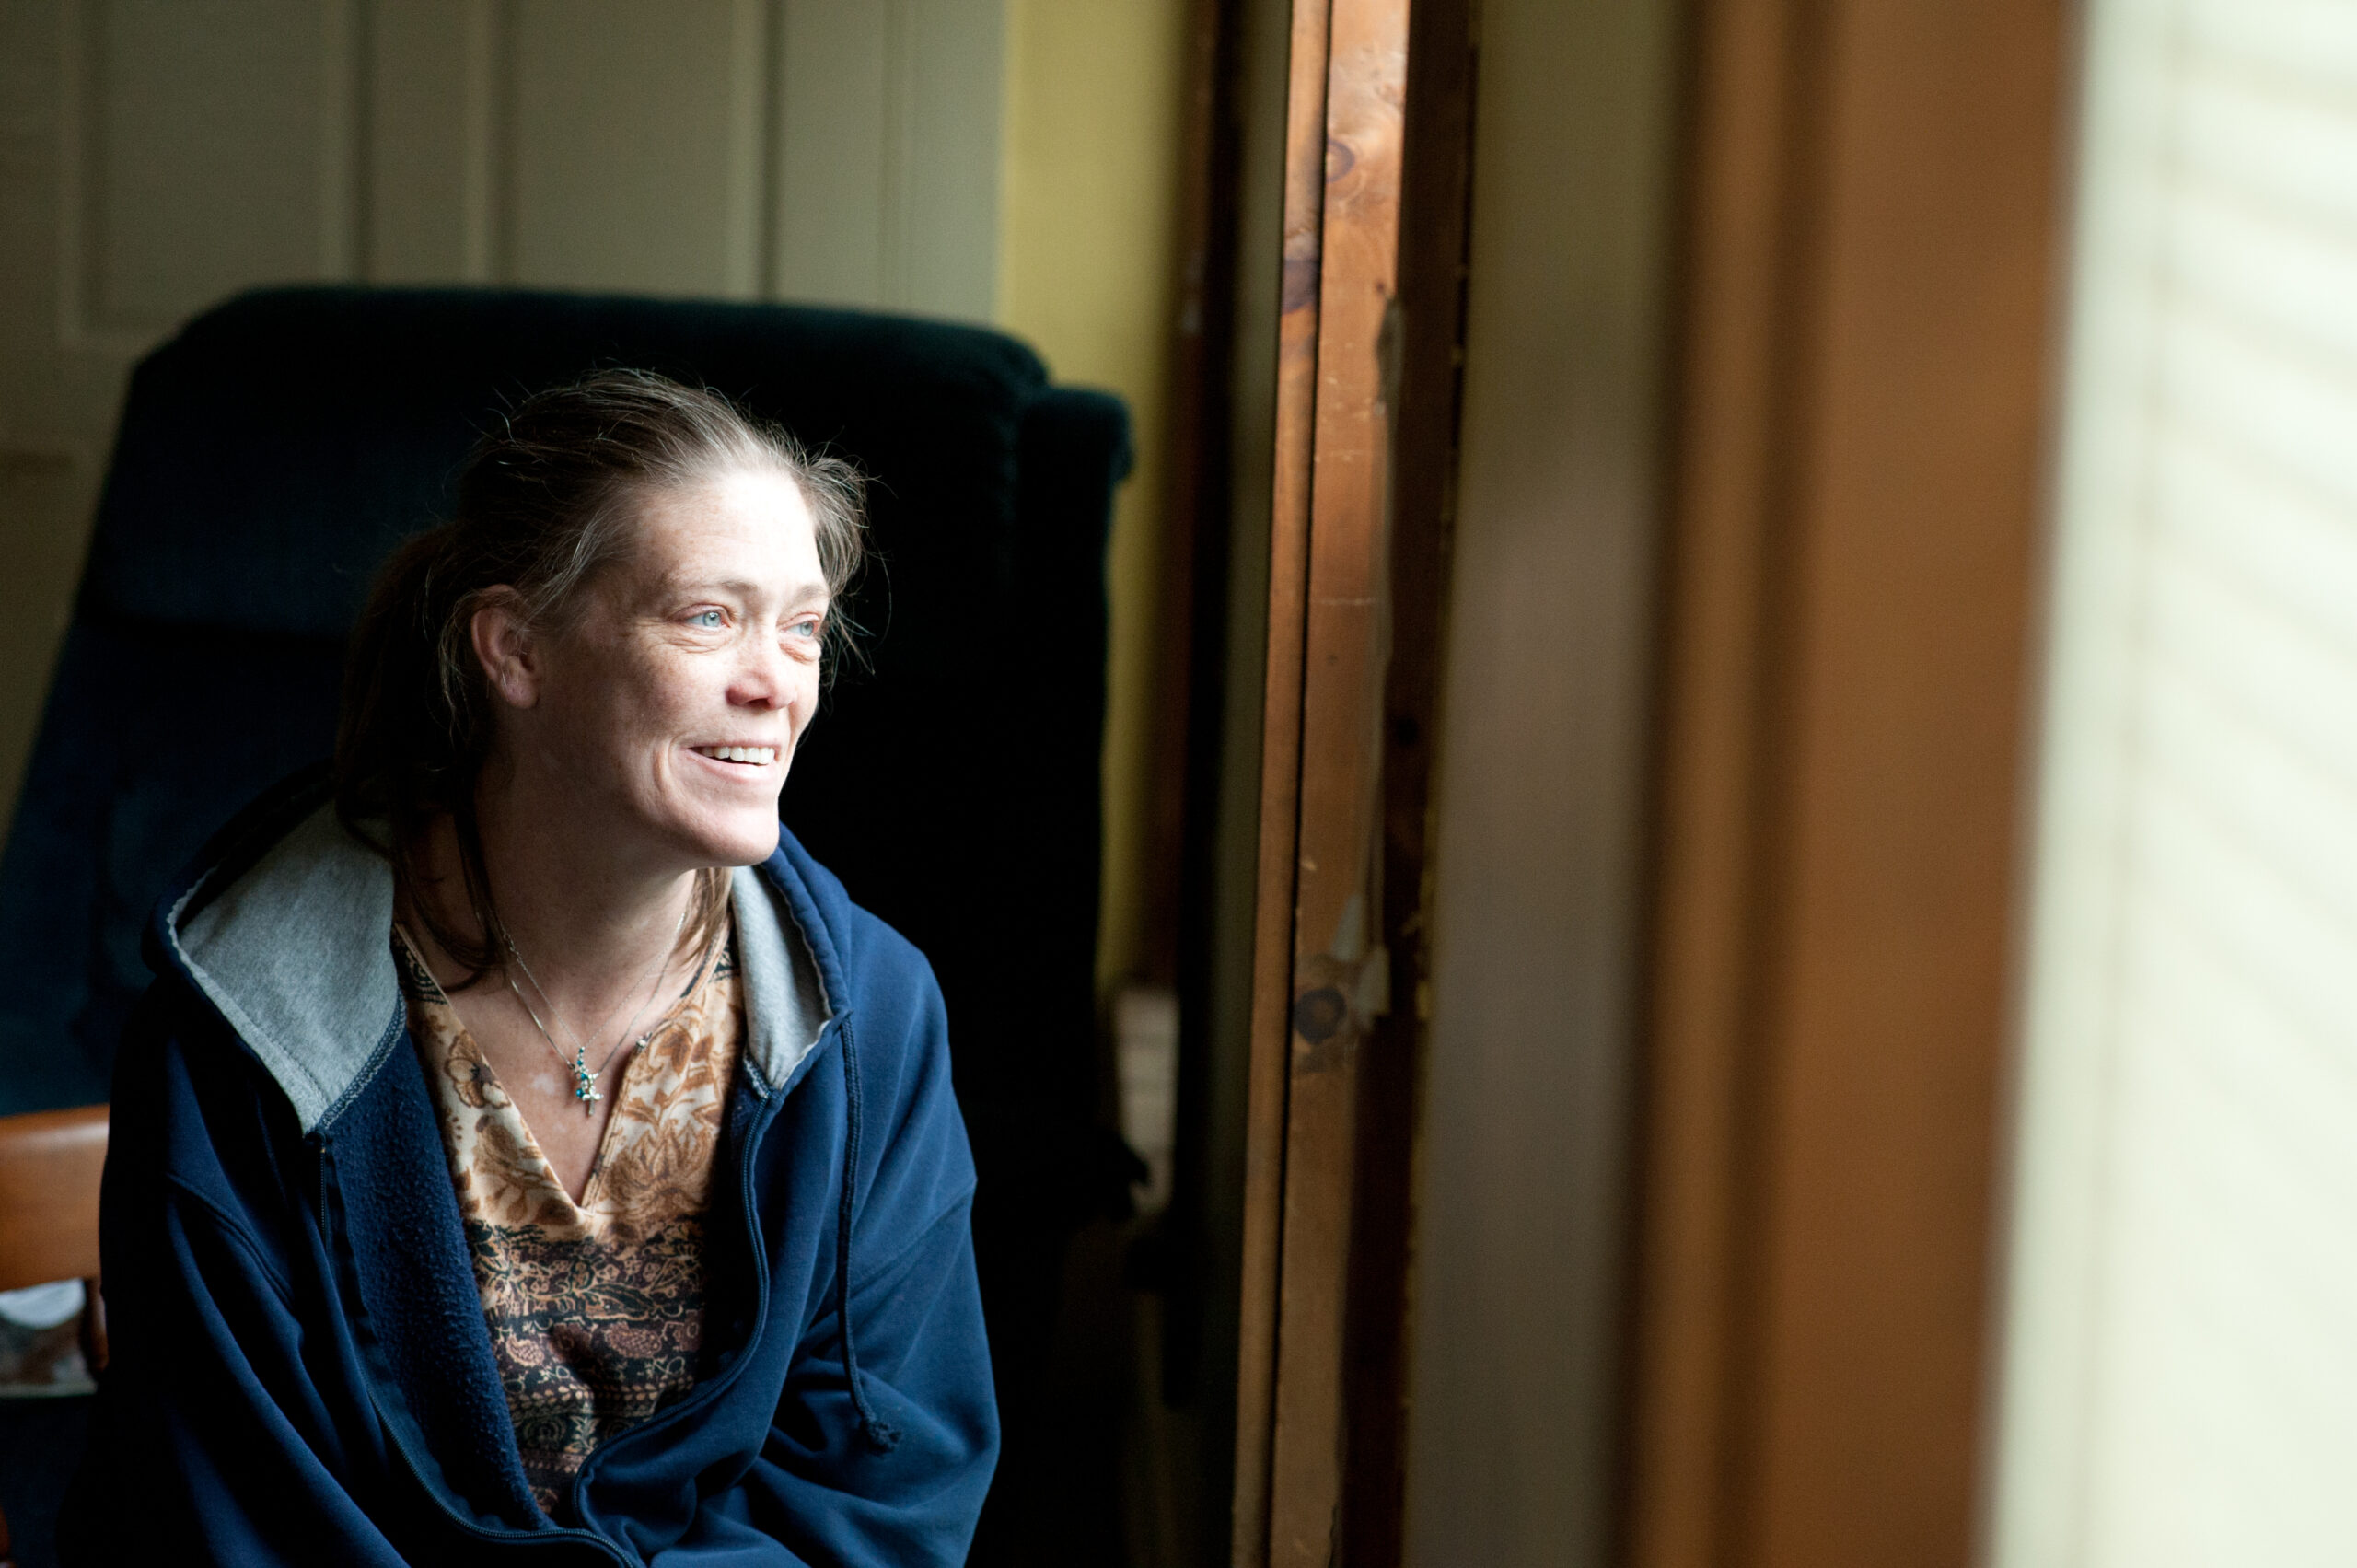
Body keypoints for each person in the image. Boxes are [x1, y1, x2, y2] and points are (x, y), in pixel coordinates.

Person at [60, 371, 997, 1565]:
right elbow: (231, 1520)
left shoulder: (871, 1023)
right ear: (515, 649)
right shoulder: (239, 1029)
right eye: (708, 616)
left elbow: (883, 1498)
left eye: (803, 624)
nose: (778, 684)